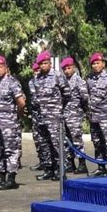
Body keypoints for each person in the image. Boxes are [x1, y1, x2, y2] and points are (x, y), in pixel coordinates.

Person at [0, 55, 26, 190]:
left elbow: (21, 103)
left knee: (11, 151)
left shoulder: (12, 83)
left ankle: (11, 179)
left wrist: (16, 118)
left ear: (6, 68)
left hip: (9, 124)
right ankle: (0, 177)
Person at [33, 51, 71, 181]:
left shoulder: (57, 76)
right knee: (44, 145)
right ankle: (49, 169)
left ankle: (60, 170)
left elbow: (67, 94)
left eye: (45, 63)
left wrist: (58, 108)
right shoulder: (37, 78)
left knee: (57, 144)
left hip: (54, 117)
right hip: (41, 117)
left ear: (50, 63)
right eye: (41, 64)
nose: (43, 66)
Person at [60, 57, 89, 174]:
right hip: (64, 115)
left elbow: (85, 98)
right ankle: (70, 163)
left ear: (73, 68)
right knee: (66, 141)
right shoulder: (62, 81)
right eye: (65, 69)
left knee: (77, 139)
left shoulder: (79, 81)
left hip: (74, 114)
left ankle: (82, 164)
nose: (67, 71)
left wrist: (82, 111)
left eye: (69, 68)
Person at [28, 62, 44, 171]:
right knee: (37, 139)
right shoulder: (32, 82)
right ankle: (42, 161)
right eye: (35, 70)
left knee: (48, 140)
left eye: (38, 70)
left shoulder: (45, 81)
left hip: (47, 114)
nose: (36, 72)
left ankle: (53, 164)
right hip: (36, 115)